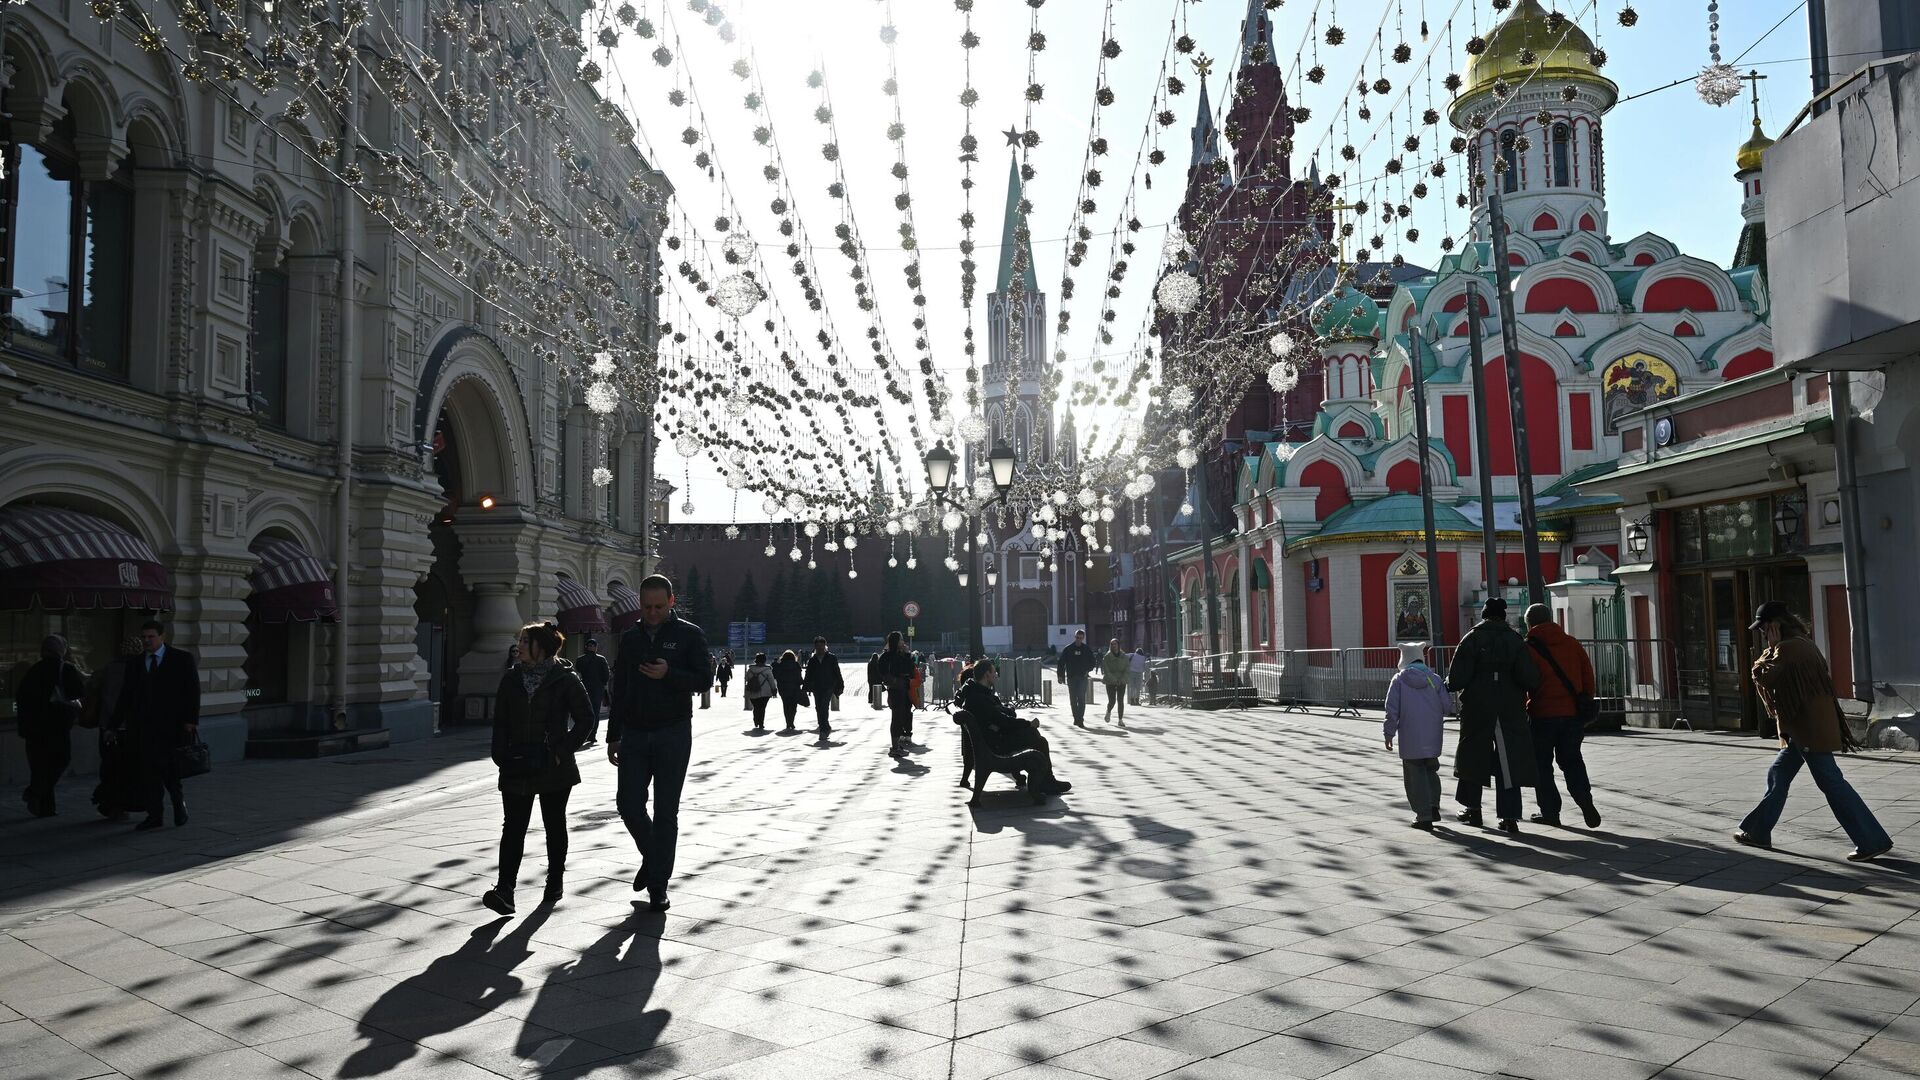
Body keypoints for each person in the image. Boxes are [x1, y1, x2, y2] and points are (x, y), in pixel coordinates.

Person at [1735, 602, 1892, 862]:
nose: (1762, 632)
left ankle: (1871, 841)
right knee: (1778, 775)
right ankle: (1758, 831)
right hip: (1805, 727)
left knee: (1831, 783)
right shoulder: (1802, 642)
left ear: (1775, 625)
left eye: (1764, 627)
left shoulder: (1787, 648)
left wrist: (1771, 648)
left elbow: (1764, 676)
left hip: (1807, 729)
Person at [607, 574, 713, 912]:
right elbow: (620, 687)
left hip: (673, 732)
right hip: (635, 732)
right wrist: (613, 734)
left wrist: (670, 673)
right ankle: (654, 858)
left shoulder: (689, 635)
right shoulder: (630, 638)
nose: (652, 613)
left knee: (666, 811)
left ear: (671, 602)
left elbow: (704, 679)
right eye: (646, 607)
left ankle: (658, 886)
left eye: (658, 607)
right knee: (628, 804)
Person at [484, 623, 592, 915]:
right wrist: (500, 755)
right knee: (513, 826)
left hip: (553, 765)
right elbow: (500, 722)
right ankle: (505, 890)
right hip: (517, 763)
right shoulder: (511, 678)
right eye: (519, 640)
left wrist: (561, 752)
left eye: (525, 641)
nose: (518, 646)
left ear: (541, 647)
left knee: (554, 823)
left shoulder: (565, 678)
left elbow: (586, 719)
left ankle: (554, 880)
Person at [1446, 599, 1540, 835]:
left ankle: (1473, 809)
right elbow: (1529, 678)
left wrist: (1449, 684)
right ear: (1504, 617)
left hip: (1478, 705)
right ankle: (1509, 816)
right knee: (1509, 759)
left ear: (1484, 615)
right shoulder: (1515, 640)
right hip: (1510, 706)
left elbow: (1457, 679)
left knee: (1473, 754)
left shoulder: (1472, 638)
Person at [109, 620, 200, 830]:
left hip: (172, 726)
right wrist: (113, 725)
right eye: (144, 637)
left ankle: (179, 805)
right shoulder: (135, 664)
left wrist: (190, 721)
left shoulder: (181, 659)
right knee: (149, 772)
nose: (147, 641)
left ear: (162, 637)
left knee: (170, 770)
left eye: (151, 636)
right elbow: (126, 696)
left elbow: (192, 691)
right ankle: (154, 815)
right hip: (143, 728)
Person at [1523, 604, 1602, 829]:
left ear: (1529, 623)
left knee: (1542, 765)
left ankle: (1550, 812)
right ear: (1551, 618)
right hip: (1572, 715)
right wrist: (1584, 701)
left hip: (1542, 715)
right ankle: (1584, 799)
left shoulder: (1528, 648)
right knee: (1572, 760)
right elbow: (1588, 677)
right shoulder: (1572, 643)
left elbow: (1524, 681)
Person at [953, 661, 1072, 795]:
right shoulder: (979, 698)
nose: (996, 675)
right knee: (1038, 739)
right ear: (987, 675)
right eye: (994, 672)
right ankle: (1046, 782)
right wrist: (1028, 723)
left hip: (991, 739)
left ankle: (1046, 781)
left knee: (1035, 736)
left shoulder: (976, 692)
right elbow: (1003, 721)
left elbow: (998, 715)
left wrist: (1014, 718)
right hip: (995, 745)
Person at [14, 635, 86, 817]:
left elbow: (22, 697)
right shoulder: (65, 668)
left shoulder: (34, 670)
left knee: (40, 767)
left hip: (33, 728)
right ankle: (36, 793)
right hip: (56, 726)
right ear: (61, 650)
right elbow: (77, 691)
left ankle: (45, 807)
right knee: (60, 760)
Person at [1384, 643, 1450, 830]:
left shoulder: (1398, 680)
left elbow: (1391, 710)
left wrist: (1388, 733)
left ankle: (1423, 816)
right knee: (1431, 771)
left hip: (1410, 737)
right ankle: (1433, 806)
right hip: (1432, 736)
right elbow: (1447, 707)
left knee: (1414, 776)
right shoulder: (1435, 679)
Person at [87, 636, 144, 820]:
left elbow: (94, 690)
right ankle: (120, 805)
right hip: (128, 728)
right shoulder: (139, 670)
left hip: (107, 726)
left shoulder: (108, 669)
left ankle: (108, 803)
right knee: (126, 768)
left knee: (109, 766)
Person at [876, 631, 918, 756]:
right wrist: (907, 655)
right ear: (896, 642)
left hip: (902, 688)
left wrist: (907, 655)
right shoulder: (891, 656)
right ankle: (895, 747)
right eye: (901, 640)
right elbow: (908, 670)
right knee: (897, 718)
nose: (903, 642)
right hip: (896, 689)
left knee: (900, 717)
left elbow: (910, 671)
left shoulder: (891, 656)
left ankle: (896, 745)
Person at [802, 637, 844, 739]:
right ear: (815, 647)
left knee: (824, 707)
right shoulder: (812, 660)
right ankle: (825, 726)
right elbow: (808, 674)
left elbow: (837, 672)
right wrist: (805, 687)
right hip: (816, 687)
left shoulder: (831, 658)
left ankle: (823, 730)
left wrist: (840, 684)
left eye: (821, 646)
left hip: (828, 686)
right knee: (818, 707)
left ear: (825, 646)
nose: (820, 648)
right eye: (817, 646)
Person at [573, 636, 611, 749]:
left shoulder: (581, 659)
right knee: (595, 712)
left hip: (584, 687)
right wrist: (602, 683)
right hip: (597, 689)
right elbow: (606, 674)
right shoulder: (601, 659)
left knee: (584, 711)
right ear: (596, 647)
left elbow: (578, 669)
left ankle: (584, 733)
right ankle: (592, 735)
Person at [1057, 630, 1098, 727]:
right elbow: (1061, 663)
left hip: (1082, 677)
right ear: (1075, 637)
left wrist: (1088, 670)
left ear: (1083, 638)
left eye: (1081, 638)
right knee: (1073, 699)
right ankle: (1076, 718)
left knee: (1081, 698)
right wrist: (1060, 676)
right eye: (1077, 637)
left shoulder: (1086, 649)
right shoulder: (1068, 649)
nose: (1079, 639)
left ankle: (1080, 719)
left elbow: (1093, 662)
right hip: (1071, 677)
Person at [772, 649, 804, 733]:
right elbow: (799, 676)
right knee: (793, 706)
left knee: (786, 705)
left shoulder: (780, 665)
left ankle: (787, 722)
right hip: (794, 688)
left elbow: (776, 676)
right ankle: (791, 721)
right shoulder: (796, 665)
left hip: (783, 688)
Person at [1100, 639, 1130, 725]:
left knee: (1120, 700)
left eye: (1115, 644)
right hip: (1110, 681)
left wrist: (1122, 679)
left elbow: (1127, 669)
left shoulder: (1124, 656)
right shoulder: (1107, 657)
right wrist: (1114, 679)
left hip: (1121, 681)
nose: (1114, 646)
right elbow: (1106, 670)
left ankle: (1120, 720)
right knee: (1112, 701)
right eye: (1112, 644)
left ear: (1118, 645)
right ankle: (1108, 711)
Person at [743, 652, 775, 731]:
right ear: (764, 660)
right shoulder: (767, 670)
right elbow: (771, 681)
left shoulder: (750, 669)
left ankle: (756, 720)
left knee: (756, 707)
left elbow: (746, 678)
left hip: (753, 691)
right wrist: (774, 689)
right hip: (765, 693)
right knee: (762, 708)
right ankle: (761, 723)